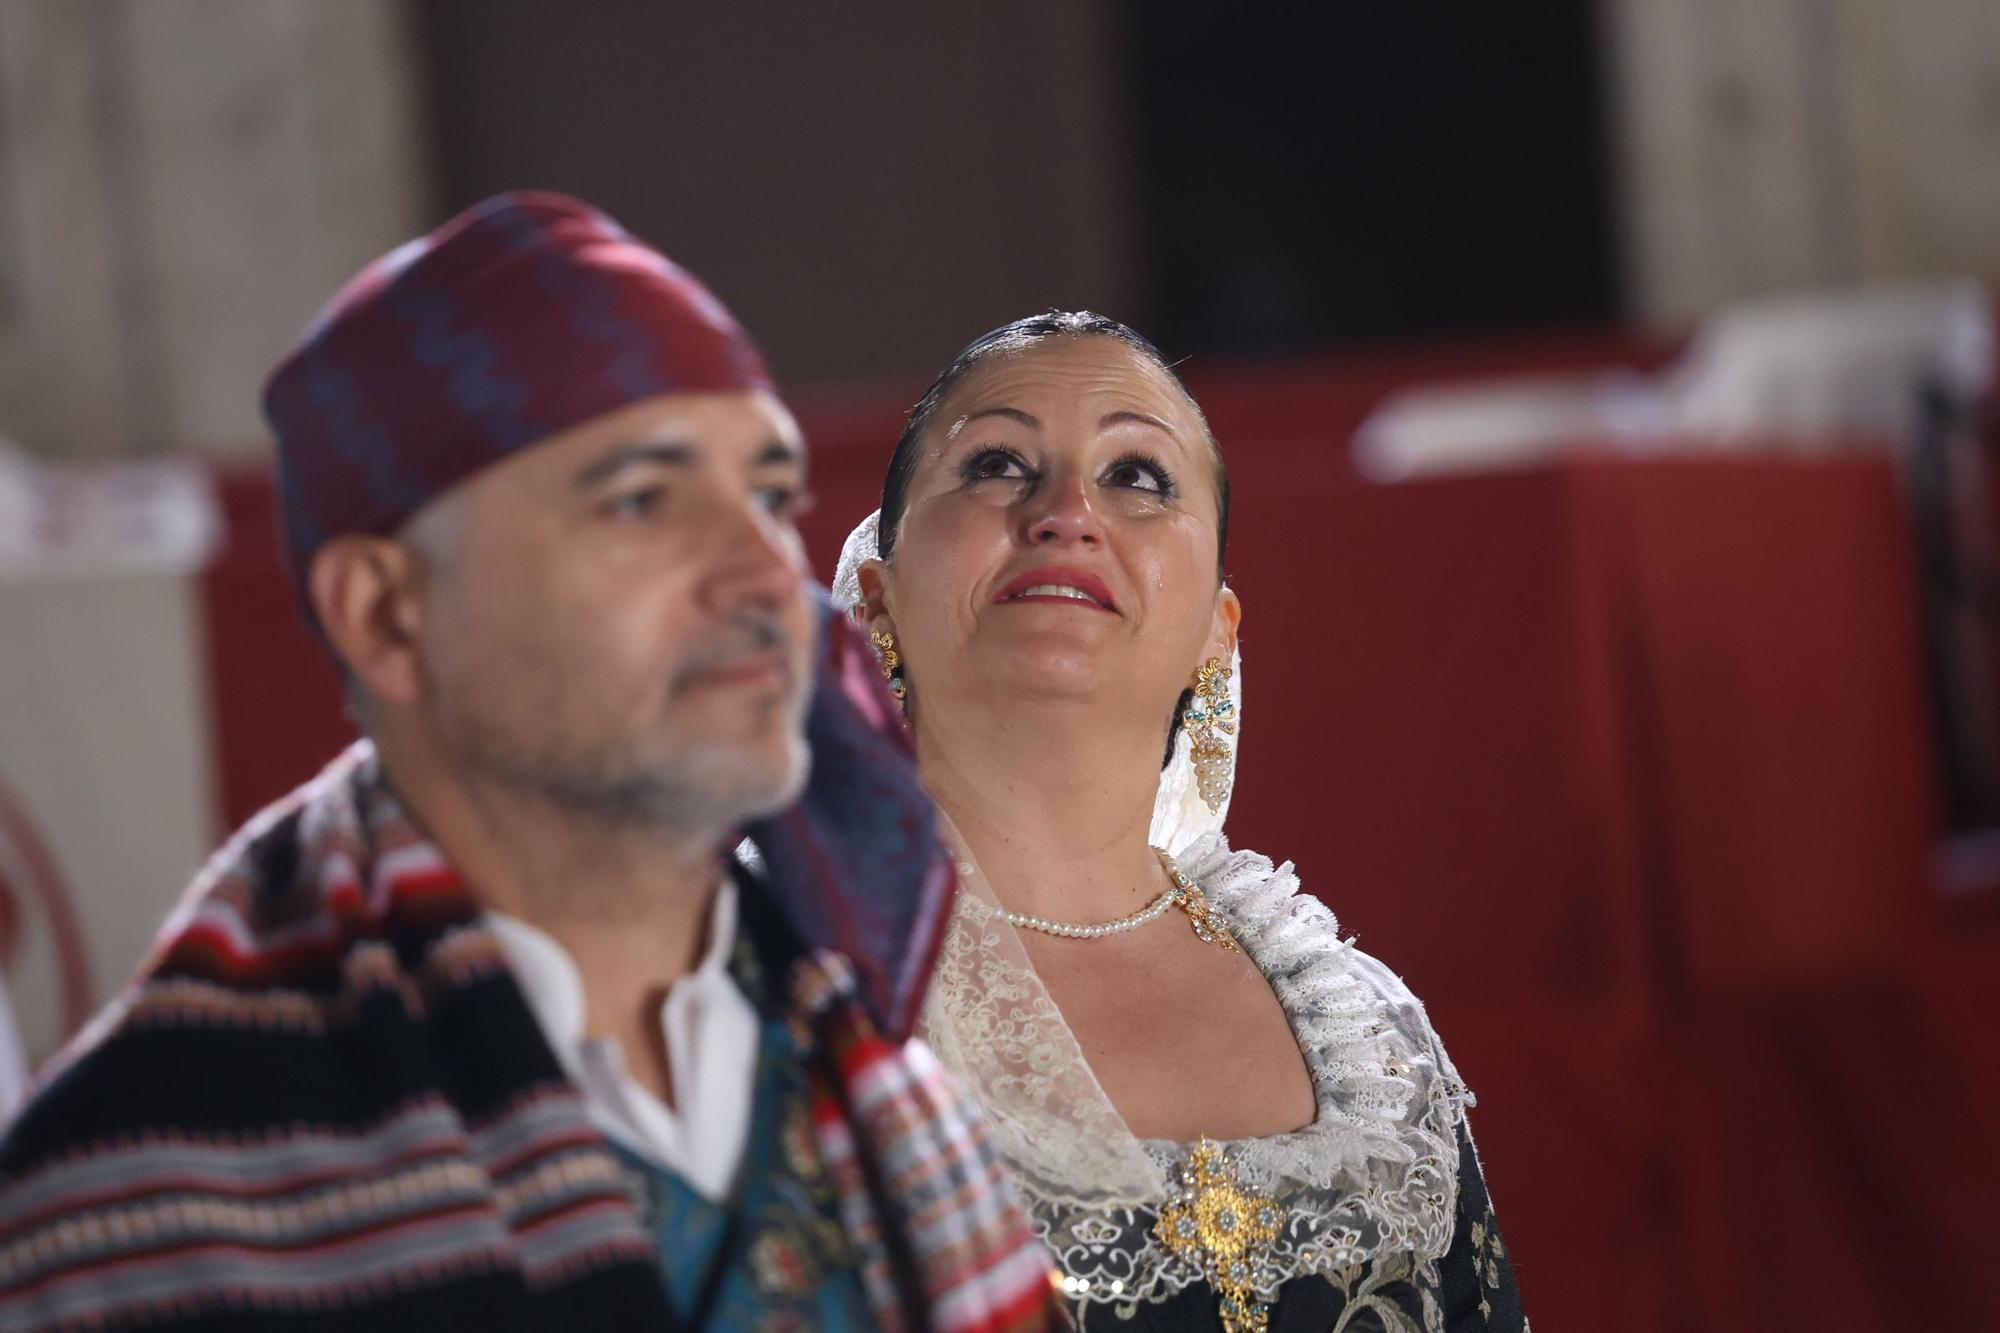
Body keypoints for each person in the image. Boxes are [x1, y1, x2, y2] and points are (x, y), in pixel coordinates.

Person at [0, 194, 1054, 1332]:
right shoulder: (135, 1217)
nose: (761, 574)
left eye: (766, 495)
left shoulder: (895, 1086)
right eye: (642, 500)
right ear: (388, 614)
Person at [834, 312, 1528, 1332]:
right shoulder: (793, 986)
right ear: (877, 593)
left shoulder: (1373, 1048)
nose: (1066, 512)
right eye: (994, 463)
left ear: (1216, 631)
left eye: (1137, 477)